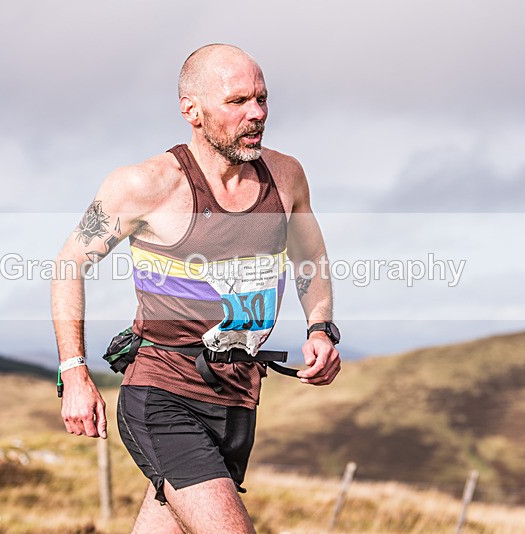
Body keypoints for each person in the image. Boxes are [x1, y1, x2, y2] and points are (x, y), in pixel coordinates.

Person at [51, 43, 341, 533]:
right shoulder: (145, 185)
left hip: (238, 400)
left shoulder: (286, 177)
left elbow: (310, 257)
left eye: (262, 99)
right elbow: (68, 265)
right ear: (192, 110)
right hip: (163, 395)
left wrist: (321, 329)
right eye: (237, 101)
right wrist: (74, 373)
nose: (257, 113)